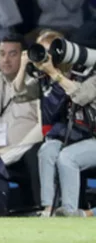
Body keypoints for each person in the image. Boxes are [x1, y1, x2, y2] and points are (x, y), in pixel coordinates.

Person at [16, 30, 96, 217]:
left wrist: (54, 73)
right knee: (47, 149)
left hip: (91, 136)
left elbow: (82, 96)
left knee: (67, 157)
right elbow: (19, 94)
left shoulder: (89, 75)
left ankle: (69, 211)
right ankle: (48, 209)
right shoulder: (53, 77)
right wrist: (23, 66)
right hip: (78, 136)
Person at [0, 34, 42, 208]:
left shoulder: (35, 85)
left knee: (34, 155)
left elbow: (42, 127)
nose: (6, 60)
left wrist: (14, 152)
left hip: (21, 157)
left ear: (24, 56)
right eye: (2, 54)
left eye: (12, 54)